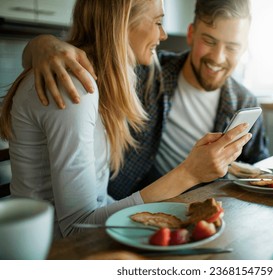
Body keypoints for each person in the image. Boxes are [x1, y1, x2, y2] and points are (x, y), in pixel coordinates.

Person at [0, 0, 252, 239]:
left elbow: (98, 202)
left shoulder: (106, 81)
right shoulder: (74, 87)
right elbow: (76, 228)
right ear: (122, 25)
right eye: (157, 22)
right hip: (47, 250)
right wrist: (189, 173)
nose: (163, 35)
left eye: (232, 46)